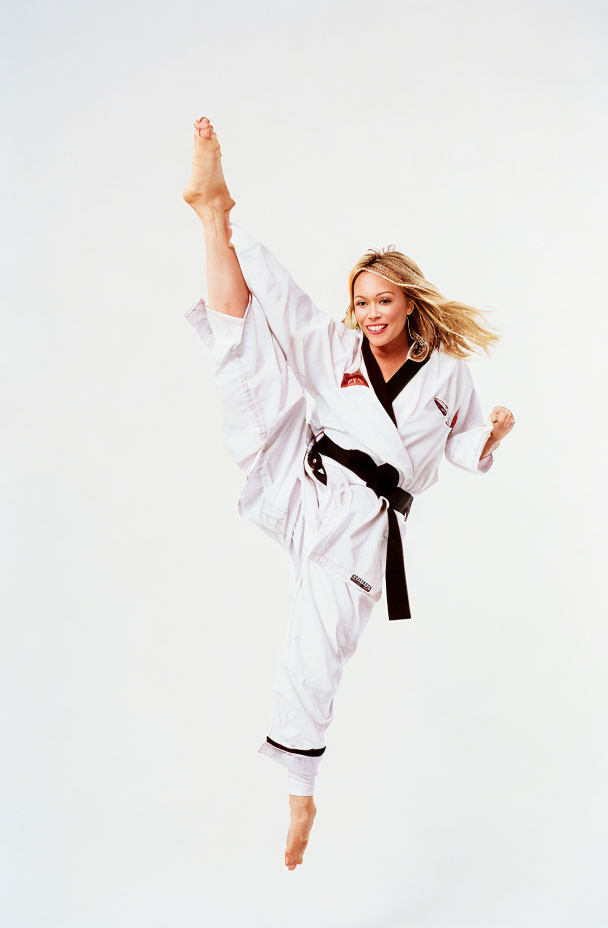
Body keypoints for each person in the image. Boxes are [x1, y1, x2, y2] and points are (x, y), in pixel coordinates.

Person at [182, 116, 515, 870]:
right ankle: (213, 213)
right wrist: (240, 243)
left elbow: (458, 449)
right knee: (245, 364)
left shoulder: (449, 377)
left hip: (360, 533)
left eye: (382, 302)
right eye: (361, 302)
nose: (369, 314)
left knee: (314, 656)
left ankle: (300, 791)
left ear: (408, 305)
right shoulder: (337, 349)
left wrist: (490, 434)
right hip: (301, 476)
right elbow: (293, 308)